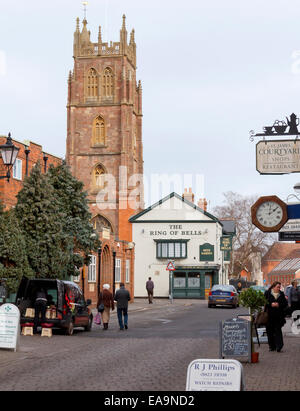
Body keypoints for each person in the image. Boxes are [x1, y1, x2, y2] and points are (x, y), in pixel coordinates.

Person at [264, 281, 288, 352]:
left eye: (279, 287)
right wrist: (270, 304)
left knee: (278, 331)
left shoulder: (281, 294)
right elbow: (264, 302)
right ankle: (272, 346)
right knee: (270, 331)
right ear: (273, 287)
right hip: (269, 316)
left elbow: (285, 303)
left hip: (278, 316)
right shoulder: (267, 293)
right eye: (277, 287)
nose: (279, 288)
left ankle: (279, 346)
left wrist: (278, 304)